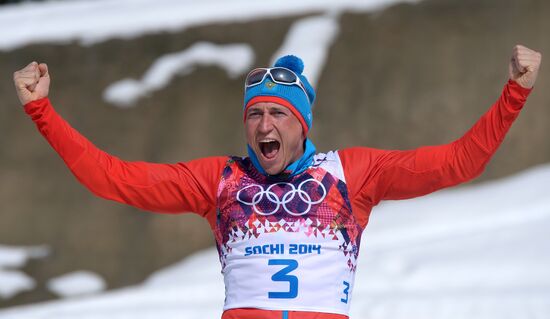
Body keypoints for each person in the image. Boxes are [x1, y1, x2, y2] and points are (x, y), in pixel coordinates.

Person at [13, 45, 541, 319]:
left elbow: (458, 162)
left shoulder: (350, 174)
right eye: (255, 113)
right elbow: (114, 179)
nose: (265, 126)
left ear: (303, 123)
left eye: (279, 114)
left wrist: (515, 91)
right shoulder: (218, 180)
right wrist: (41, 110)